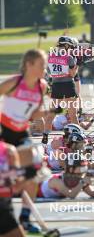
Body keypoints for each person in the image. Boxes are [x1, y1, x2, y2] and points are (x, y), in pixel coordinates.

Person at [0, 49, 55, 234]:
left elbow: (32, 115)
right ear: (29, 65)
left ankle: (24, 218)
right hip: (3, 132)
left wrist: (49, 113)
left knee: (32, 174)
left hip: (21, 133)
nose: (45, 69)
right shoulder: (14, 82)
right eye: (42, 65)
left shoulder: (42, 86)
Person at [43, 36, 79, 143]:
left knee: (51, 115)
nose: (71, 49)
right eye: (70, 47)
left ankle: (45, 137)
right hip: (68, 85)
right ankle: (78, 136)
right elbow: (72, 74)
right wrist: (77, 65)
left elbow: (48, 72)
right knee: (73, 115)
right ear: (66, 45)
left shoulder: (49, 55)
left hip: (56, 86)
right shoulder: (69, 57)